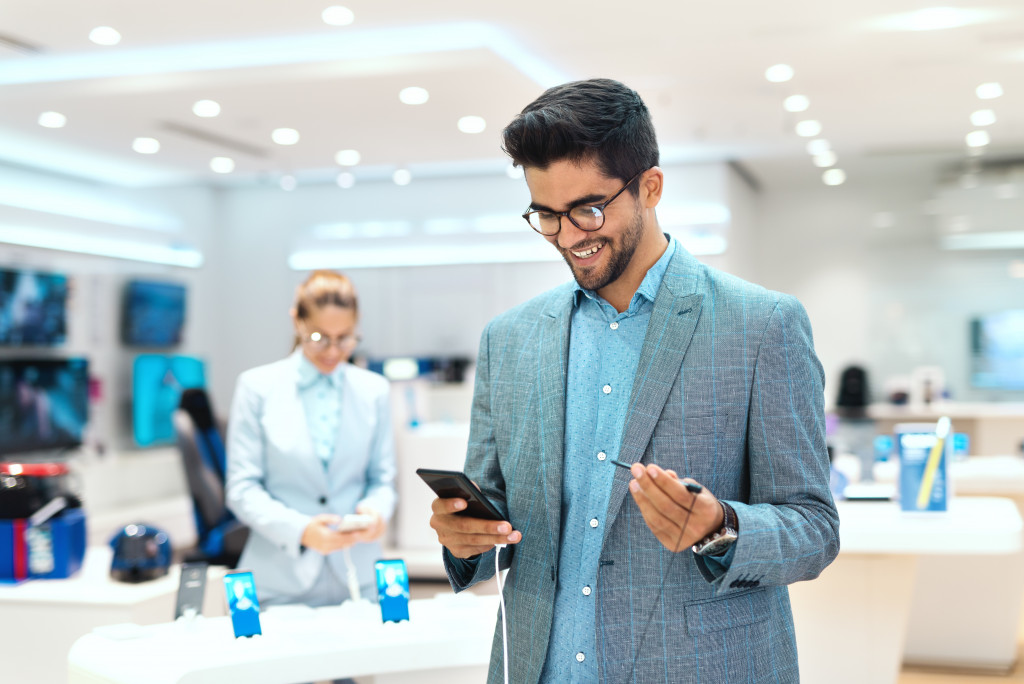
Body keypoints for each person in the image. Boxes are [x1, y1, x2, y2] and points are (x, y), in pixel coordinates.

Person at [428, 79, 840, 684]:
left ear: (650, 187)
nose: (569, 236)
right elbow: (495, 528)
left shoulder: (762, 326)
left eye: (589, 208)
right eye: (547, 215)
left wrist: (721, 527)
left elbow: (814, 528)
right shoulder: (509, 340)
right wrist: (464, 537)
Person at [226, 270, 396, 607]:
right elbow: (242, 489)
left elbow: (383, 480)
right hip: (279, 581)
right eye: (319, 337)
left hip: (361, 579)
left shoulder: (373, 390)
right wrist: (302, 530)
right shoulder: (257, 387)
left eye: (345, 338)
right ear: (297, 322)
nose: (332, 350)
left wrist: (375, 514)